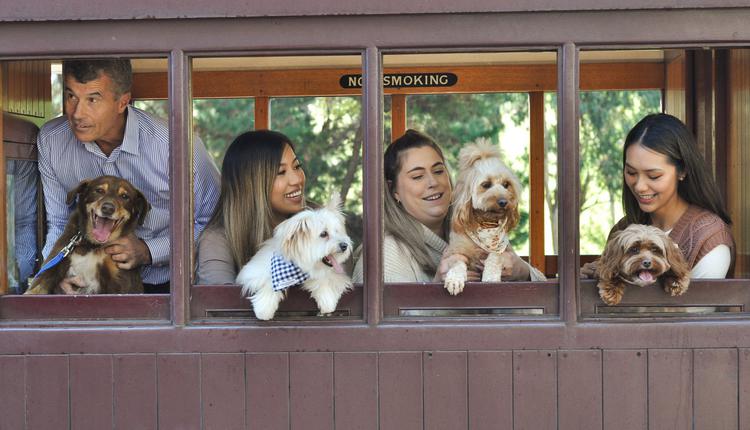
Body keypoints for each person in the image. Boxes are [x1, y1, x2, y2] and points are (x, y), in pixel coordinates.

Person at [37, 58, 220, 294]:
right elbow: (60, 223)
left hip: (169, 286)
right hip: (85, 283)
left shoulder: (175, 144)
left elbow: (213, 222)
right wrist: (55, 278)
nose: (77, 113)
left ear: (122, 101)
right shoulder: (52, 141)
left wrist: (149, 250)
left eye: (92, 99)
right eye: (71, 96)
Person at [352, 129, 536, 283]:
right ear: (394, 191)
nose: (433, 182)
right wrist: (437, 290)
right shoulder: (383, 255)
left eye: (439, 171)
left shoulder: (477, 230)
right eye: (417, 176)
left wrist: (522, 271)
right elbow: (387, 325)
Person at [583, 113, 734, 279]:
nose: (639, 186)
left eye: (653, 176)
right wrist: (592, 279)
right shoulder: (623, 229)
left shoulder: (708, 238)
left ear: (682, 170)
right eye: (631, 172)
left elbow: (698, 306)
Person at [196, 130, 307, 284]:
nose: (296, 179)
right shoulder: (216, 240)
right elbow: (218, 303)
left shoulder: (320, 221)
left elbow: (340, 290)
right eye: (281, 172)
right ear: (251, 185)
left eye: (297, 166)